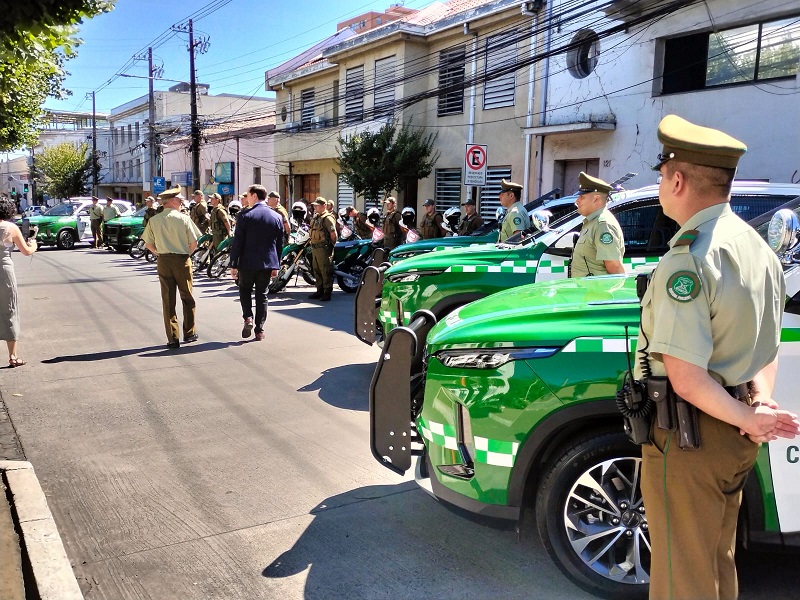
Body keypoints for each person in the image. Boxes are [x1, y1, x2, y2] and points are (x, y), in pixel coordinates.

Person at [635, 115, 800, 600]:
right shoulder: (758, 249)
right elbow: (767, 347)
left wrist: (751, 415)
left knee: (681, 576)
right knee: (715, 560)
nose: (661, 185)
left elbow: (686, 379)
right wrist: (758, 409)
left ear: (677, 179)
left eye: (662, 175)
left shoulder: (688, 260)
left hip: (691, 440)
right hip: (734, 436)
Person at [142, 185, 201, 349]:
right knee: (187, 297)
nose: (182, 203)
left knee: (168, 300)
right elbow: (194, 242)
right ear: (173, 201)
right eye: (180, 200)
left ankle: (172, 338)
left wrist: (159, 253)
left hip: (164, 261)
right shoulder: (183, 218)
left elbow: (147, 244)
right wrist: (186, 254)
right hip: (182, 260)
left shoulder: (154, 220)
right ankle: (189, 333)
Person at [229, 185, 284, 341]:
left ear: (254, 195)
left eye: (247, 195)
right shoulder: (276, 217)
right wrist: (276, 265)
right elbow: (279, 244)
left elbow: (238, 242)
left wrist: (234, 264)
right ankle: (259, 330)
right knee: (262, 295)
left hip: (247, 262)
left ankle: (248, 317)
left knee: (245, 290)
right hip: (267, 263)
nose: (246, 198)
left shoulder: (245, 216)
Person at [0, 197, 37, 367]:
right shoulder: (11, 228)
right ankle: (13, 357)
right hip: (4, 272)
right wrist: (34, 243)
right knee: (9, 309)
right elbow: (27, 251)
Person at [570, 172, 625, 277]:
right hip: (588, 291)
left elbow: (615, 267)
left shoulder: (603, 224)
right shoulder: (592, 222)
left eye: (582, 197)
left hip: (597, 292)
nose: (577, 201)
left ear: (596, 198)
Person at [308, 197, 337, 301]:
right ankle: (319, 290)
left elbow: (333, 234)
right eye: (314, 205)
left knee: (325, 270)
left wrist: (330, 246)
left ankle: (327, 291)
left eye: (317, 205)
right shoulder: (316, 217)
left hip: (324, 248)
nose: (315, 207)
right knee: (316, 270)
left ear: (324, 206)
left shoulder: (328, 218)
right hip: (315, 248)